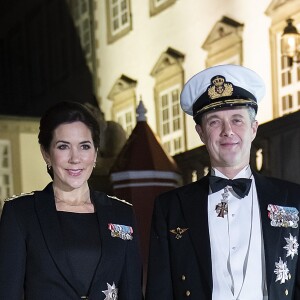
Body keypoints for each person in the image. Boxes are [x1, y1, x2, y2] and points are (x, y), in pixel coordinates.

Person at [145, 64, 300, 300]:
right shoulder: (171, 207)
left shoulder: (292, 198)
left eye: (237, 120)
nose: (227, 131)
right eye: (215, 122)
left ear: (253, 129)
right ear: (201, 132)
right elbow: (159, 292)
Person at [0, 101, 143, 299]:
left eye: (84, 146)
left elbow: (132, 293)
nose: (75, 158)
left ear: (95, 153)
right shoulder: (20, 214)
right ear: (46, 153)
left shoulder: (122, 213)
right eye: (63, 146)